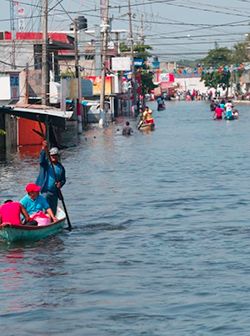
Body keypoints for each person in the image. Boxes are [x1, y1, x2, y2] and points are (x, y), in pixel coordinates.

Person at [36, 141, 66, 214]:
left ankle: (52, 220)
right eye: (52, 155)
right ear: (50, 156)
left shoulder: (61, 168)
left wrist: (60, 184)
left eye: (55, 155)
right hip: (44, 191)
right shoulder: (46, 165)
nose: (54, 157)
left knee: (53, 211)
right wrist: (43, 149)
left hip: (54, 193)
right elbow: (41, 160)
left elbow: (63, 180)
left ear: (58, 156)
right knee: (44, 210)